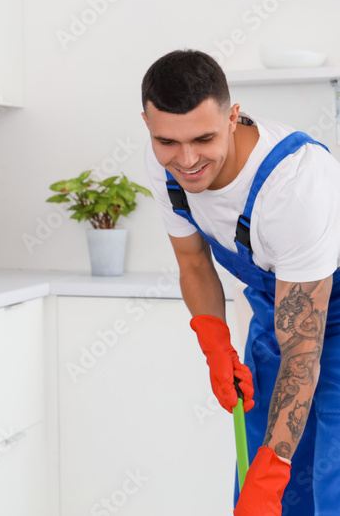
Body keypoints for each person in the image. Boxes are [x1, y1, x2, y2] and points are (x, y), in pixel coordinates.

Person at [141, 50, 340, 515]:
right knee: (263, 480)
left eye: (204, 139)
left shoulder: (295, 183)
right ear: (148, 124)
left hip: (316, 321)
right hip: (280, 315)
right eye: (167, 140)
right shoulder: (167, 162)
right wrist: (213, 338)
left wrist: (271, 476)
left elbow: (304, 348)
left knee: (328, 485)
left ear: (233, 117)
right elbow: (193, 263)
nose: (186, 160)